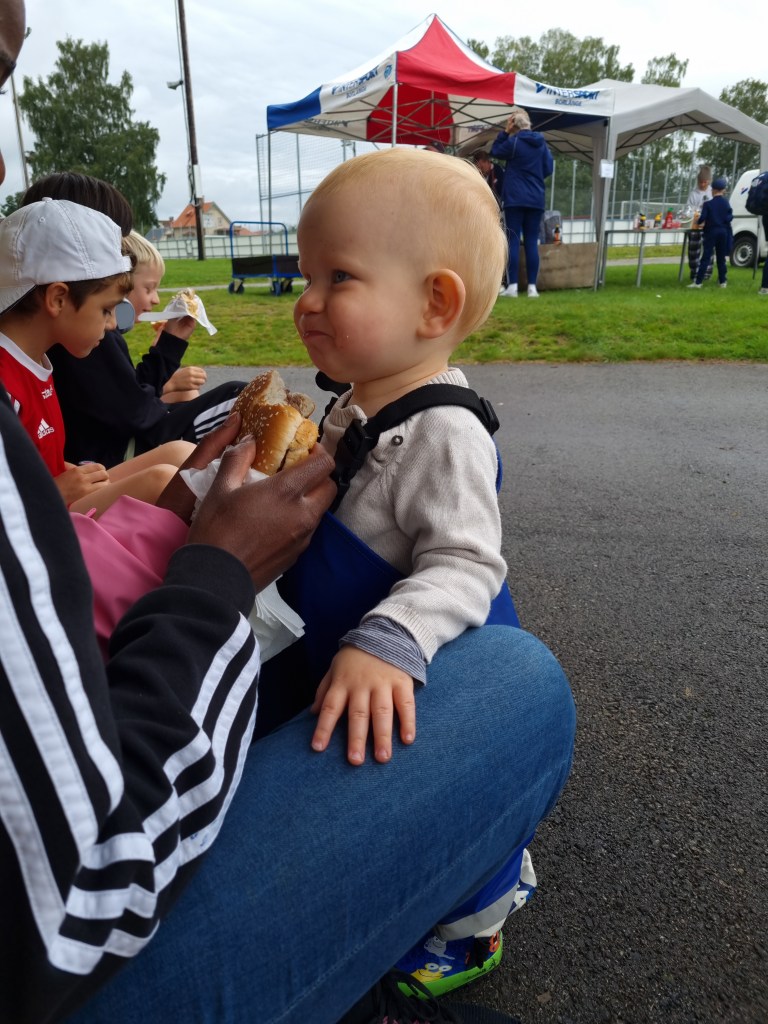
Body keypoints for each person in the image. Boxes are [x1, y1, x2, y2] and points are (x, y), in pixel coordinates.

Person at [0, 6, 576, 1023]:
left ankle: (474, 914)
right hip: (333, 638)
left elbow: (465, 563)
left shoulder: (445, 430)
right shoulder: (353, 406)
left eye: (336, 278)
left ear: (435, 306)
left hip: (410, 652)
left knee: (432, 794)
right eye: (307, 276)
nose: (306, 300)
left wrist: (396, 641)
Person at [22, 173, 247, 469]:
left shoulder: (67, 331)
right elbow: (139, 415)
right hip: (116, 454)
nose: (121, 261)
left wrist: (169, 349)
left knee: (203, 398)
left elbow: (129, 400)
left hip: (113, 447)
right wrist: (167, 357)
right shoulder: (82, 336)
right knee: (239, 397)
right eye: (116, 246)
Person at [0, 198, 196, 516]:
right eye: (106, 309)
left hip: (54, 499)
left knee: (181, 452)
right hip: (44, 520)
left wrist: (68, 473)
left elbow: (36, 463)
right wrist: (55, 490)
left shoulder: (35, 361)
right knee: (162, 481)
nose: (113, 324)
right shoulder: (6, 384)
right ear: (58, 299)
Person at [121, 229, 208, 403]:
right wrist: (171, 384)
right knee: (231, 390)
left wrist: (169, 342)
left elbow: (132, 387)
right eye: (148, 289)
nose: (156, 300)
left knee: (189, 393)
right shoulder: (103, 339)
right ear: (120, 285)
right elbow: (130, 403)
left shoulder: (110, 335)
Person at [491, 106, 553, 298]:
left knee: (513, 241)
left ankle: (513, 287)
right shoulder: (542, 144)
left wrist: (505, 132)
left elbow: (495, 151)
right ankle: (532, 288)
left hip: (515, 198)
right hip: (536, 198)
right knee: (532, 242)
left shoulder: (514, 142)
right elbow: (548, 168)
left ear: (514, 125)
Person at [687, 175, 733, 289]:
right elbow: (729, 217)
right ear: (723, 190)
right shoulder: (726, 203)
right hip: (723, 232)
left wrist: (697, 221)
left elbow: (702, 218)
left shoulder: (708, 204)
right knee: (721, 258)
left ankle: (698, 282)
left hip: (711, 232)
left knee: (706, 257)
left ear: (713, 190)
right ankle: (723, 281)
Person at [686, 164, 714, 282]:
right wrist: (694, 215)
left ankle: (707, 273)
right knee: (693, 250)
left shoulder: (712, 192)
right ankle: (695, 272)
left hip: (709, 226)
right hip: (695, 226)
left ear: (709, 181)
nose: (702, 184)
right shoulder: (694, 193)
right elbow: (688, 210)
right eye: (701, 182)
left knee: (708, 250)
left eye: (705, 182)